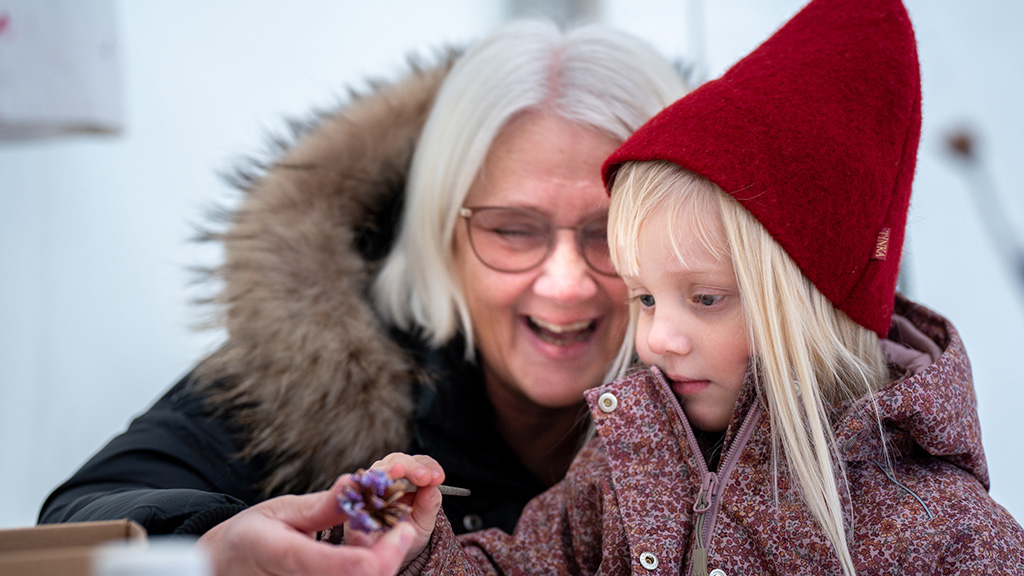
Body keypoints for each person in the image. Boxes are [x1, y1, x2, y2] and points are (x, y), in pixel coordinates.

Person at [361, 0, 1024, 574]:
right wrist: (414, 552)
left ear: (809, 302)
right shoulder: (630, 462)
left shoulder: (941, 530)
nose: (658, 338)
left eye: (704, 298)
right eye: (645, 296)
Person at [37, 18, 687, 576]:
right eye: (512, 231)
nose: (565, 282)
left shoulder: (749, 398)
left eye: (608, 233)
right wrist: (214, 544)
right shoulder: (316, 371)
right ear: (442, 234)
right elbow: (86, 508)